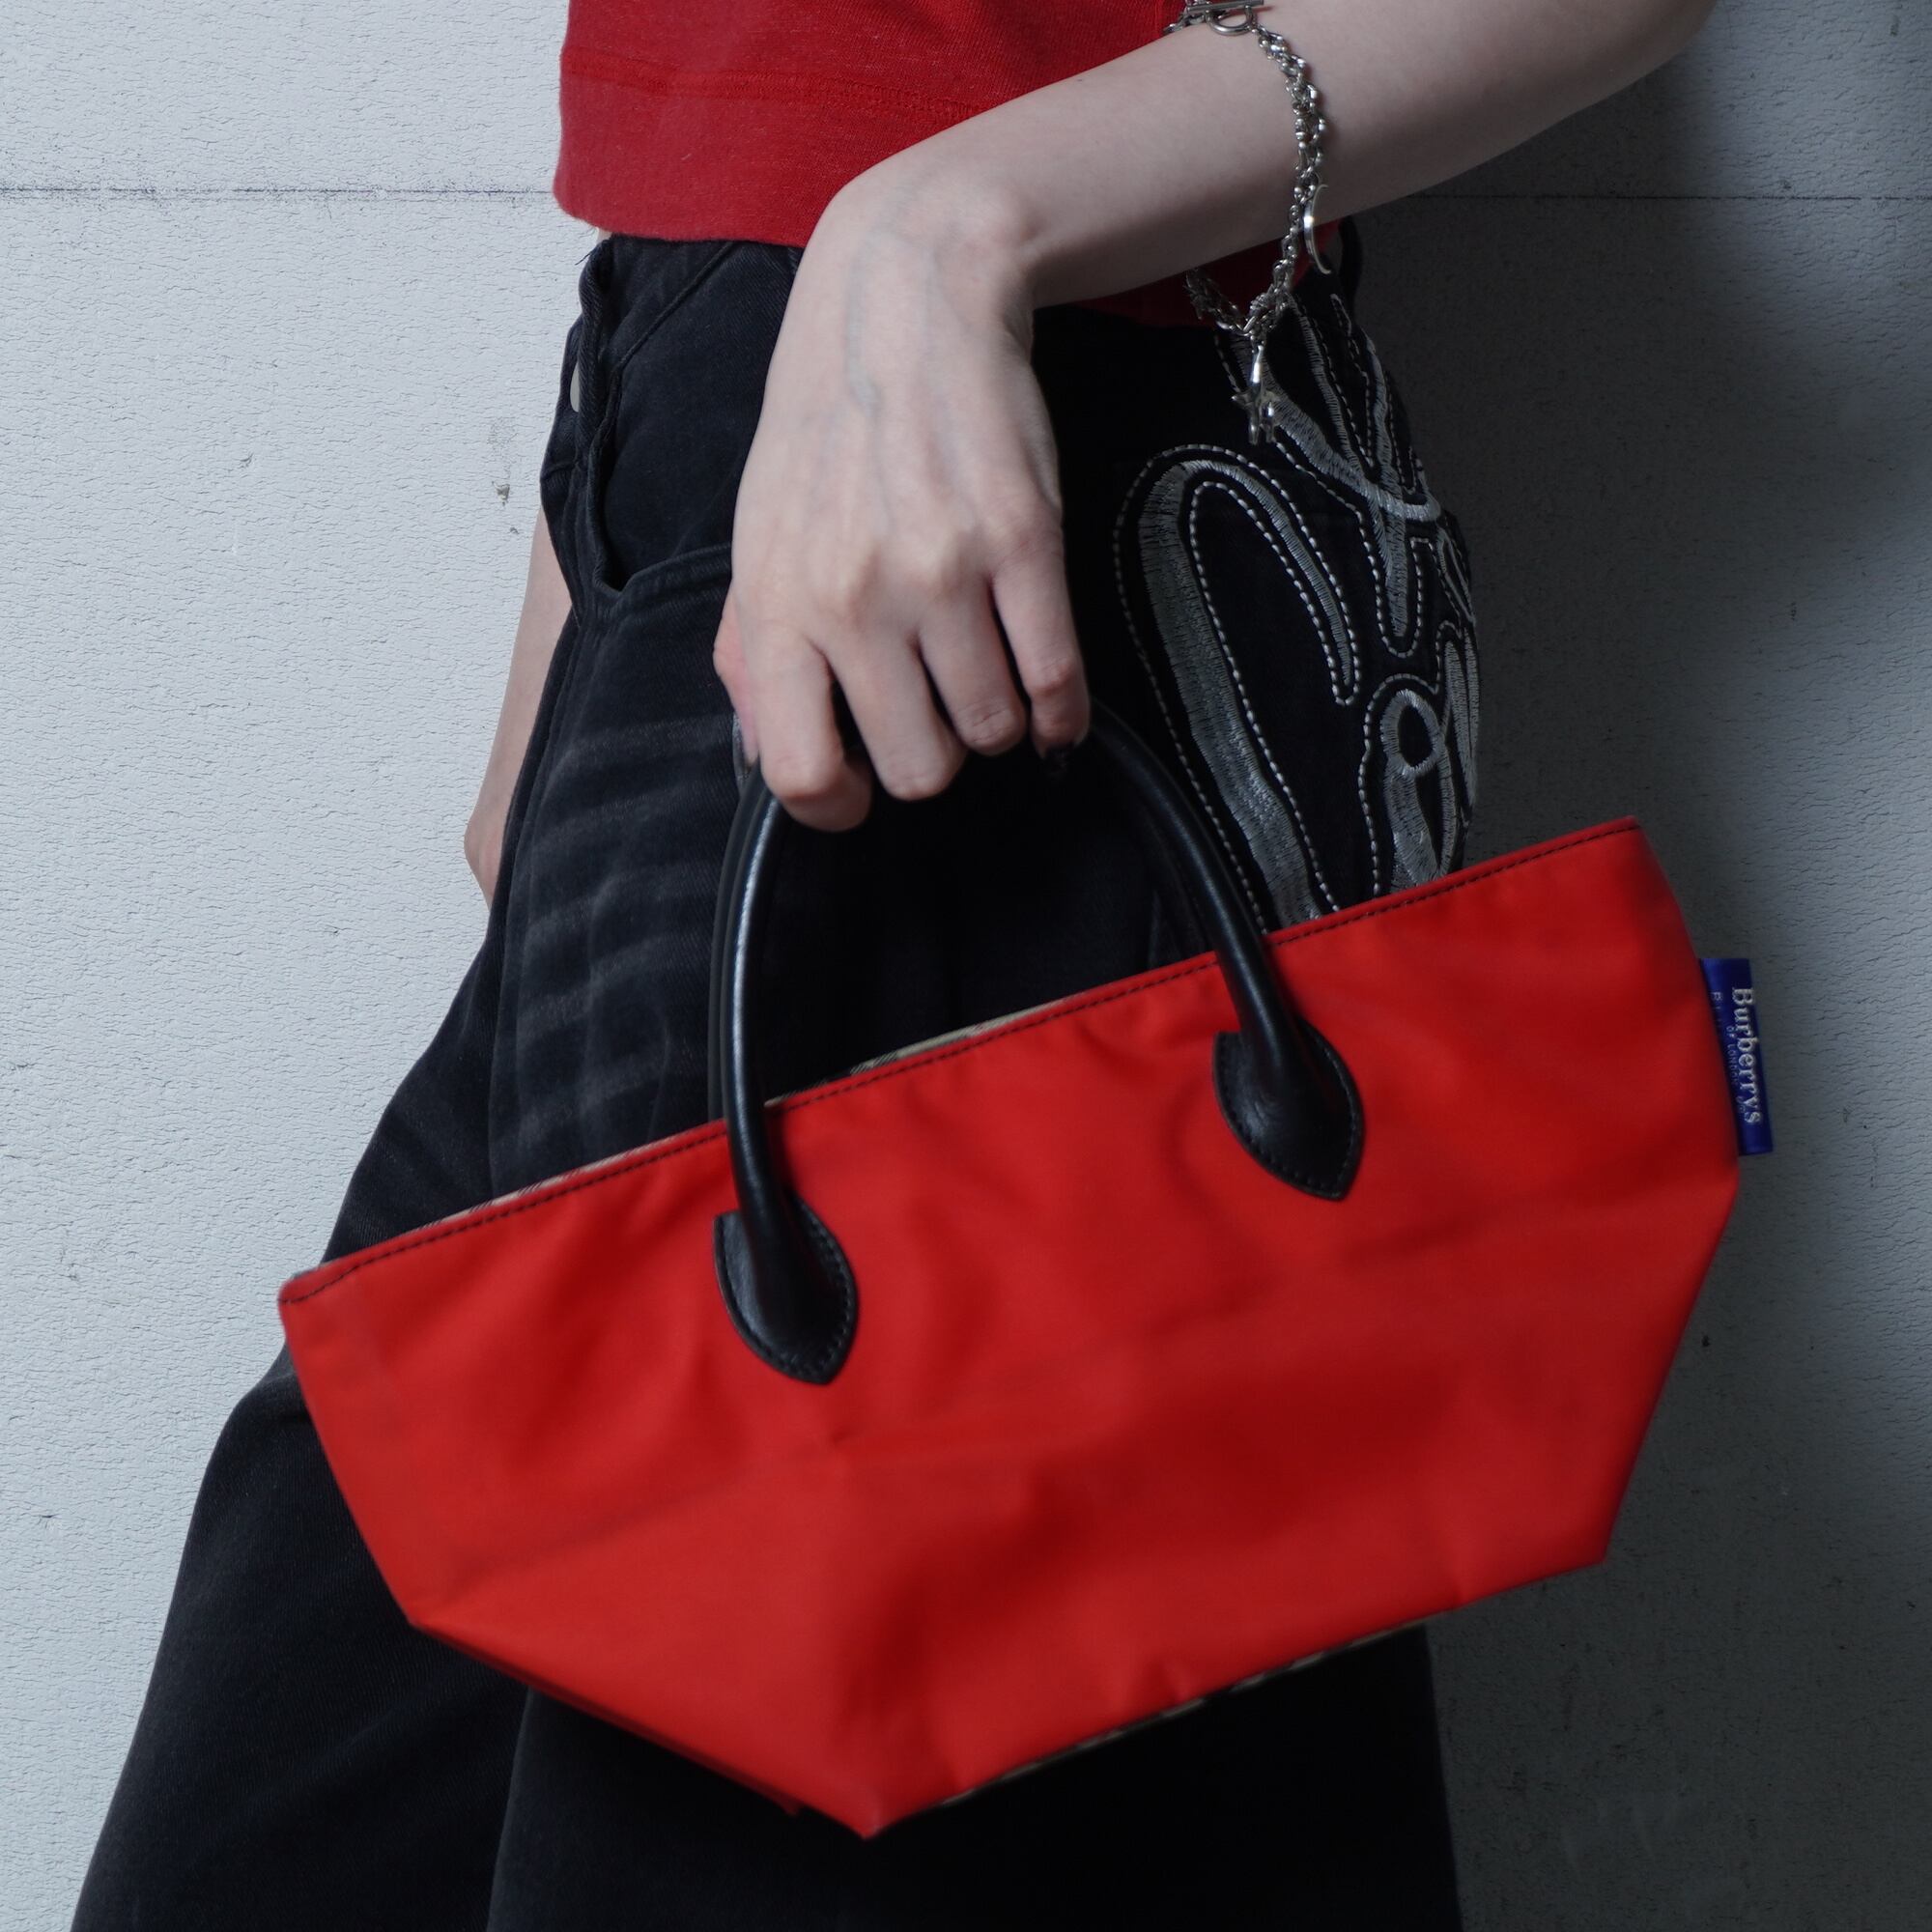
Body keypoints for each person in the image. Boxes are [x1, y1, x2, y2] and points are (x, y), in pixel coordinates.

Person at [71, 0, 1716, 1923]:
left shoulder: (945, 260)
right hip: (748, 491)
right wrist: (598, 569)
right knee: (302, 1818)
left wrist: (939, 230)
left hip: (1006, 506)